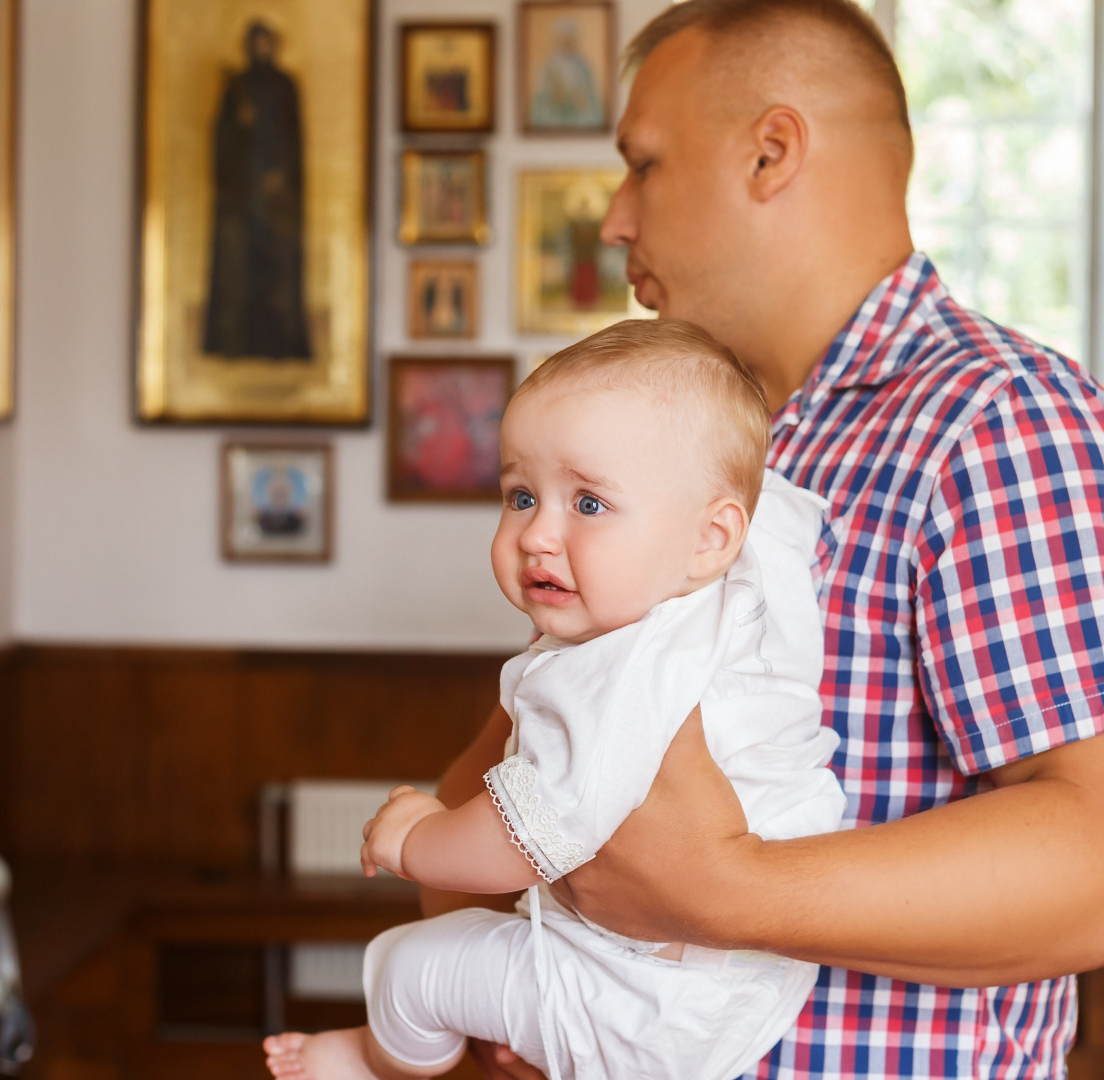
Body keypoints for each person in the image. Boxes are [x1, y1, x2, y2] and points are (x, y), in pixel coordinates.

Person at [428, 2, 1104, 1078]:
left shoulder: (1003, 421)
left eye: (643, 164)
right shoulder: (701, 443)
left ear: (771, 150)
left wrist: (719, 892)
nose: (613, 216)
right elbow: (527, 752)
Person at [262, 320, 845, 1080]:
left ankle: (376, 1062)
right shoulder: (744, 577)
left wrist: (415, 841)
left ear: (711, 537)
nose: (538, 534)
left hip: (640, 1000)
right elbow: (776, 511)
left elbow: (535, 835)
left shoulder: (617, 670)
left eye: (590, 504)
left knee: (408, 966)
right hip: (728, 980)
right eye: (522, 494)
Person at [203, 20, 311, 360]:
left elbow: (293, 140)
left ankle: (280, 343)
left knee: (277, 267)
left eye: (267, 43)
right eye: (256, 43)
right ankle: (236, 343)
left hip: (277, 198)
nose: (262, 49)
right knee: (241, 267)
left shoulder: (284, 86)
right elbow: (221, 141)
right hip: (243, 194)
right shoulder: (236, 86)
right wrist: (241, 126)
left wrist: (280, 172)